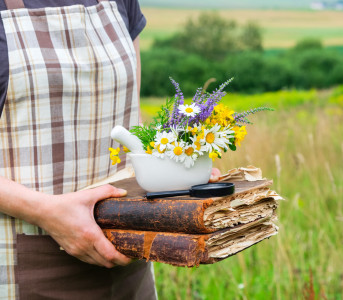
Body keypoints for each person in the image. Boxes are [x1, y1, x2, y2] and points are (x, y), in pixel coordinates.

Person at [0, 0, 221, 298]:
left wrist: (171, 171)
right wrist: (47, 212)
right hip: (23, 266)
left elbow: (131, 120)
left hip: (127, 264)